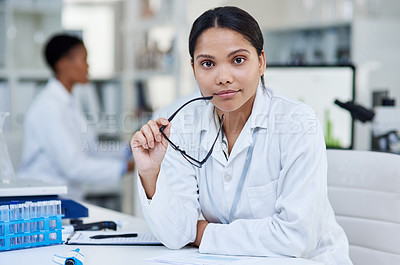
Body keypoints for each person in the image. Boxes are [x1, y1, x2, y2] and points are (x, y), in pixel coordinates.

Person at [130, 6, 352, 265]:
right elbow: (177, 234)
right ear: (193, 69)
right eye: (208, 64)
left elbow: (295, 238)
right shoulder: (180, 125)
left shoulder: (297, 122)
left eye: (238, 60)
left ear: (261, 62)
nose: (223, 77)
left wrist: (204, 233)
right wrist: (150, 174)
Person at [19, 34, 134, 199]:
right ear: (63, 64)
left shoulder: (70, 102)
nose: (88, 66)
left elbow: (91, 149)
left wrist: (131, 149)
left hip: (65, 197)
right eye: (84, 59)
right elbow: (74, 167)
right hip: (43, 200)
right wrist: (129, 167)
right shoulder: (48, 107)